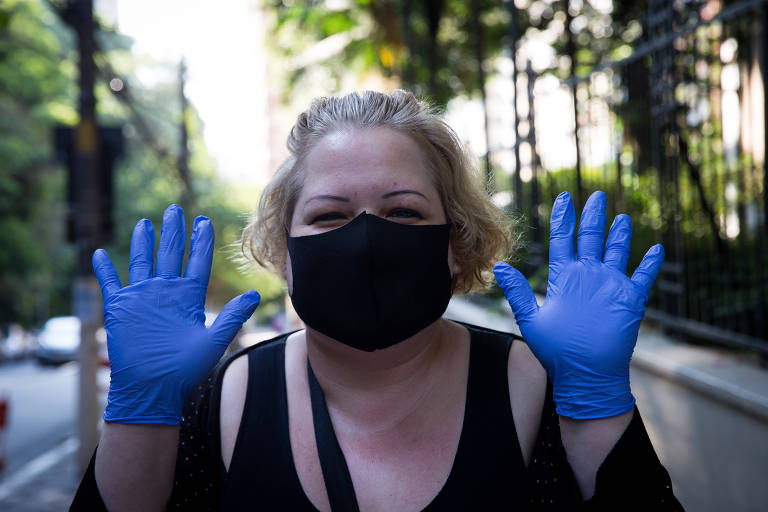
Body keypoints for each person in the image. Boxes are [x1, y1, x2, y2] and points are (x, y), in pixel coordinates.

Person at [72, 90, 683, 511]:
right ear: (284, 253)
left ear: (454, 242)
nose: (366, 238)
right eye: (330, 215)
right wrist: (140, 410)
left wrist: (596, 404)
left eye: (402, 211)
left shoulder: (545, 388)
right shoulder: (221, 400)